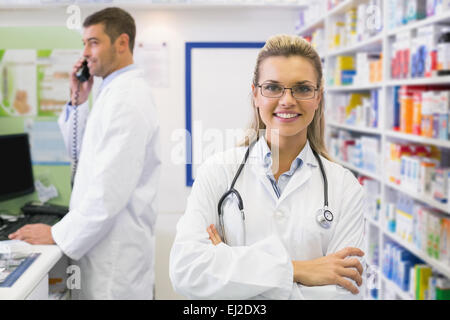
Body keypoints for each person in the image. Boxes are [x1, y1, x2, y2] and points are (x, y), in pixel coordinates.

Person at [169, 34, 366, 300]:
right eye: (273, 87)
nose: (287, 100)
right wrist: (299, 270)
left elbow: (344, 292)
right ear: (255, 95)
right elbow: (186, 271)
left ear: (318, 97)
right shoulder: (217, 172)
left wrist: (230, 264)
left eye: (303, 88)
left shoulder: (345, 188)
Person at [9, 7, 161, 300]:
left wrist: (56, 234)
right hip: (100, 249)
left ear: (121, 42)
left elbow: (109, 191)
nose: (86, 52)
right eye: (84, 44)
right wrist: (77, 98)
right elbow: (81, 154)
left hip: (115, 262)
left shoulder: (128, 99)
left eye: (94, 42)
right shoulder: (110, 91)